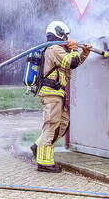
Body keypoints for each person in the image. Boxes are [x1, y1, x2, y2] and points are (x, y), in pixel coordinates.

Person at [32, 21, 92, 172]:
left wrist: (84, 53)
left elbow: (74, 62)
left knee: (63, 123)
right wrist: (73, 49)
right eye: (65, 35)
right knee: (51, 125)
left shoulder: (58, 49)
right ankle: (44, 163)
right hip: (51, 93)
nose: (67, 38)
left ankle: (38, 146)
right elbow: (70, 62)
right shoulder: (54, 48)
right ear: (59, 33)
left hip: (57, 94)